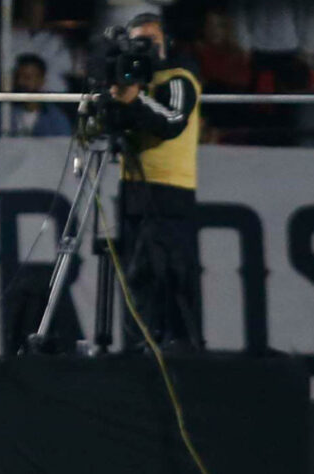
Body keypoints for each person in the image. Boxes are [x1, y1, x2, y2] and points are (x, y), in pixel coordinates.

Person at [107, 13, 203, 353]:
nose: (143, 50)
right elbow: (113, 124)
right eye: (137, 42)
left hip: (171, 190)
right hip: (132, 189)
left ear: (167, 43)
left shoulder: (179, 78)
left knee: (175, 274)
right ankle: (137, 348)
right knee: (136, 275)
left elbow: (172, 121)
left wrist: (133, 98)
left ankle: (184, 347)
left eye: (150, 41)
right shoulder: (131, 82)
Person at [0, 54, 71, 138]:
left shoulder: (55, 119)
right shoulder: (1, 115)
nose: (20, 82)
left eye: (26, 78)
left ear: (41, 81)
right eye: (17, 77)